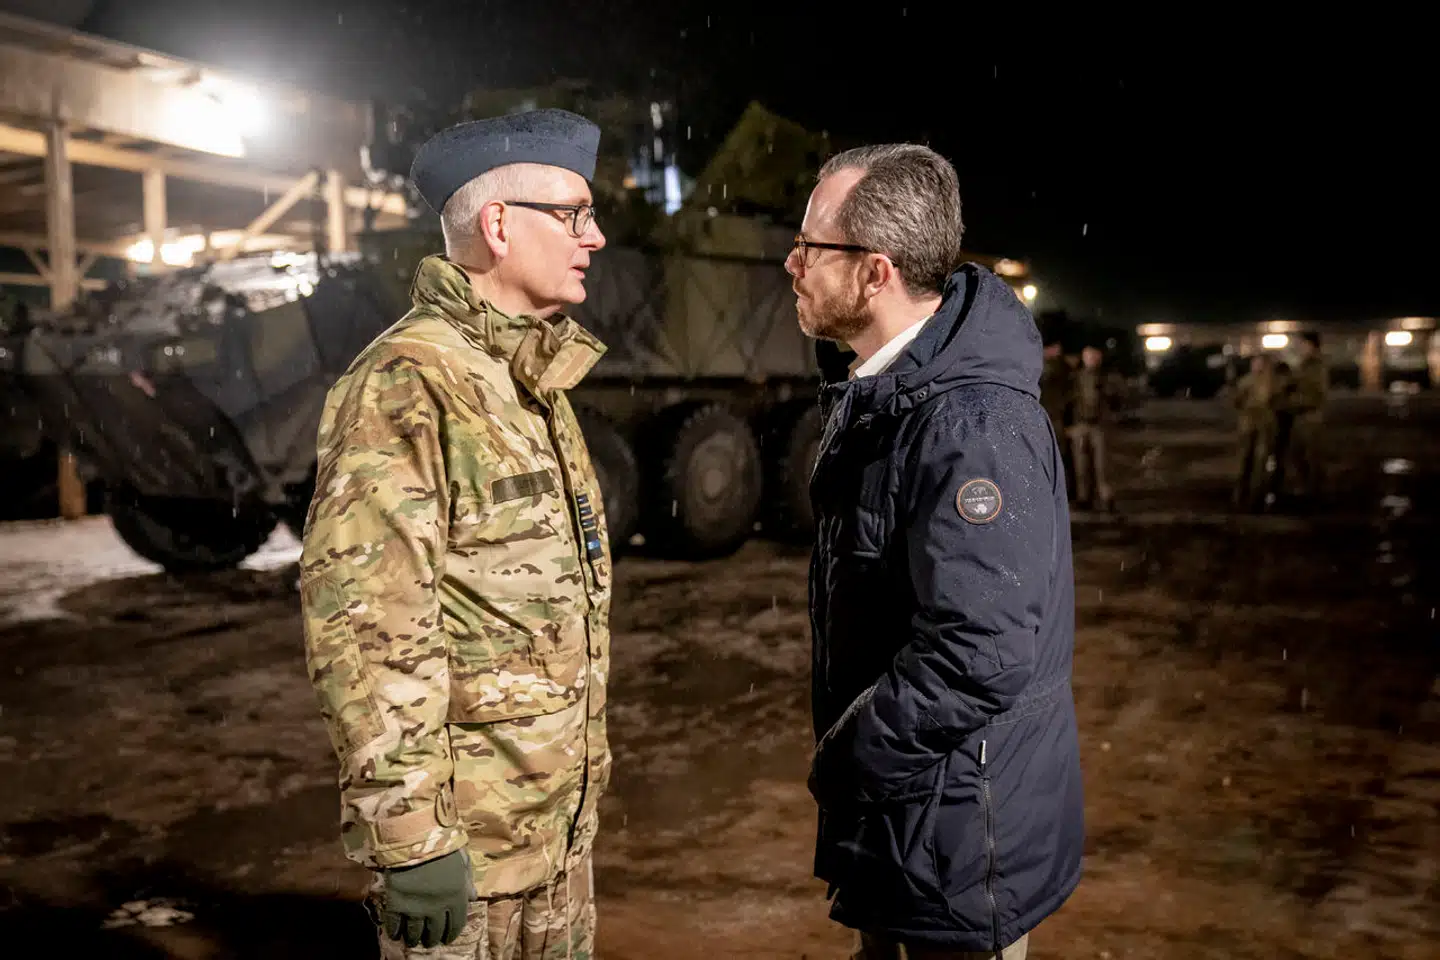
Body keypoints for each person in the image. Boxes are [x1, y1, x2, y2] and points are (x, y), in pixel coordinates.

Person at [298, 108, 614, 959]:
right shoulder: (408, 383)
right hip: (468, 857)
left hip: (553, 838)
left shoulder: (530, 379)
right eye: (575, 214)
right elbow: (366, 624)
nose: (595, 237)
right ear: (499, 226)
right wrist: (411, 838)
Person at [789, 143, 1083, 960]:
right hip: (918, 826)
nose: (792, 263)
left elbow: (980, 652)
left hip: (955, 846)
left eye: (811, 246)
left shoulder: (968, 425)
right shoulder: (898, 394)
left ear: (874, 272)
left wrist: (850, 761)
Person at [1067, 344, 1116, 512]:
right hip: (1080, 425)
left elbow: (1115, 398)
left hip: (1099, 426)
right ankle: (1084, 498)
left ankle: (1105, 497)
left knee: (1102, 465)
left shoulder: (1105, 378)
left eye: (1094, 356)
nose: (1092, 360)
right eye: (1088, 356)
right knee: (1081, 465)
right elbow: (1068, 401)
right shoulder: (1075, 378)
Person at [1230, 353, 1281, 511]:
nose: (1257, 366)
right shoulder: (1247, 381)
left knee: (1260, 462)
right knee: (1245, 462)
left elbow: (1279, 401)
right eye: (1255, 363)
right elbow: (1236, 401)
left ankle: (1256, 497)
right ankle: (1242, 497)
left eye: (1260, 363)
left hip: (1264, 426)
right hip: (1249, 425)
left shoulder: (1272, 382)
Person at [1282, 332, 1328, 502]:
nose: (1300, 347)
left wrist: (1293, 401)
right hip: (1299, 417)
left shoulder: (1317, 367)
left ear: (1312, 346)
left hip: (1310, 417)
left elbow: (1317, 395)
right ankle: (1304, 487)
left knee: (1312, 456)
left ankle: (1315, 491)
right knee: (1296, 453)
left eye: (1303, 344)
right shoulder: (1302, 365)